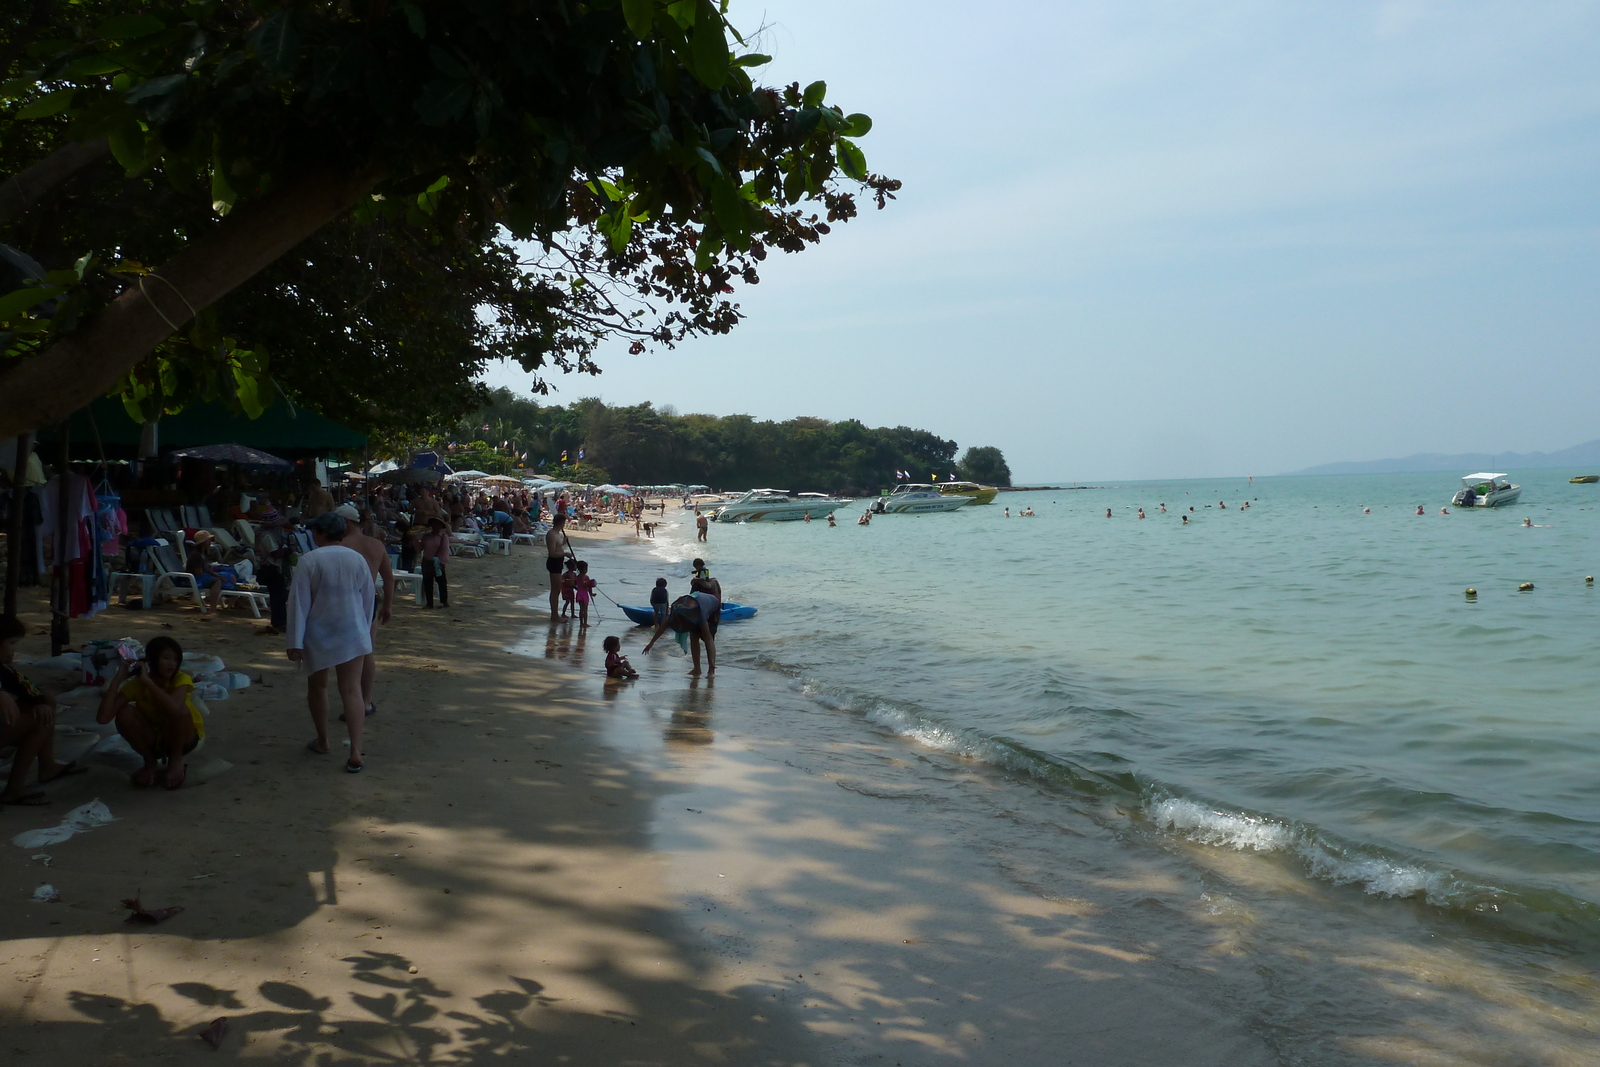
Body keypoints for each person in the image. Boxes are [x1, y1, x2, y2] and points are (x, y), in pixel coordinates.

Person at [287, 512, 375, 773]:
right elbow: (368, 598)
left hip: (319, 632)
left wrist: (294, 641)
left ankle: (324, 740)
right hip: (352, 630)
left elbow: (299, 604)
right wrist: (365, 629)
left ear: (322, 534)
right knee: (351, 690)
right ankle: (355, 751)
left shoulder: (310, 560)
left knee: (318, 686)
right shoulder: (357, 559)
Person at [97, 635, 204, 790]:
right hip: (153, 741)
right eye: (166, 658)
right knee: (125, 712)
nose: (171, 664)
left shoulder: (181, 679)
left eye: (175, 659)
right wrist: (118, 679)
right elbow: (103, 718)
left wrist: (148, 682)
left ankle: (175, 760)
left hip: (182, 739)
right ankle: (150, 761)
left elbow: (174, 708)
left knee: (180, 709)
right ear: (152, 660)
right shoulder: (136, 685)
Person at [1, 615, 81, 805]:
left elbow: (24, 685)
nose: (14, 649)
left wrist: (39, 701)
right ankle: (16, 788)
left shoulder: (3, 668)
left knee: (46, 702)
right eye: (11, 643)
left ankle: (46, 766)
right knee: (41, 721)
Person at [334, 503, 393, 720]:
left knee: (345, 652)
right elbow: (388, 578)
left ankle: (350, 701)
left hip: (345, 598)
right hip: (369, 599)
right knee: (366, 651)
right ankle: (365, 701)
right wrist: (388, 605)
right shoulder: (376, 544)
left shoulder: (341, 544)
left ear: (346, 522)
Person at [643, 577, 719, 677]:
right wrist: (651, 643)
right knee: (693, 637)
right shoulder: (677, 610)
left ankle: (711, 669)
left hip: (713, 608)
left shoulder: (700, 615)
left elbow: (709, 640)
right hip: (695, 603)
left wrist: (712, 663)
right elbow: (662, 627)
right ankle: (697, 668)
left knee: (707, 637)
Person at [253, 508, 291, 633]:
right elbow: (274, 553)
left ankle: (281, 621)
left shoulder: (274, 532)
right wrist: (288, 551)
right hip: (270, 568)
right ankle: (278, 623)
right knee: (277, 596)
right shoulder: (266, 535)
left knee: (281, 595)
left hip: (275, 567)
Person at [185, 530, 225, 614]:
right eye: (208, 540)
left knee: (230, 577)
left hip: (202, 576)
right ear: (202, 542)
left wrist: (216, 574)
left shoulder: (204, 553)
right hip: (195, 578)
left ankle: (235, 603)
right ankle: (212, 608)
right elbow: (199, 572)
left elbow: (206, 568)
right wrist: (215, 577)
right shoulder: (196, 555)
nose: (210, 542)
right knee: (217, 581)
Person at [417, 516, 451, 608]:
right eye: (434, 524)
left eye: (437, 524)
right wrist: (414, 539)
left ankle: (444, 601)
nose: (435, 526)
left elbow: (444, 550)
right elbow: (419, 548)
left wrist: (443, 562)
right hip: (427, 561)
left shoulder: (443, 537)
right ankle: (429, 603)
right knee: (427, 582)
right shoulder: (426, 536)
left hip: (438, 562)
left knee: (441, 582)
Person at [545, 513, 570, 616]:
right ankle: (554, 615)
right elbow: (552, 553)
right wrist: (565, 553)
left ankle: (555, 614)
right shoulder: (551, 534)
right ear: (561, 523)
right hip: (554, 562)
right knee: (555, 590)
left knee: (557, 589)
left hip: (558, 562)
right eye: (564, 522)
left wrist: (563, 543)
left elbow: (556, 546)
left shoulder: (556, 533)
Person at [574, 560, 595, 627]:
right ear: (584, 569)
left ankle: (581, 623)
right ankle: (585, 623)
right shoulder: (586, 577)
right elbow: (589, 586)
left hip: (579, 593)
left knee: (581, 609)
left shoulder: (576, 577)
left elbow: (574, 585)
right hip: (585, 594)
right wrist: (591, 594)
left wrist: (578, 589)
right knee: (585, 610)